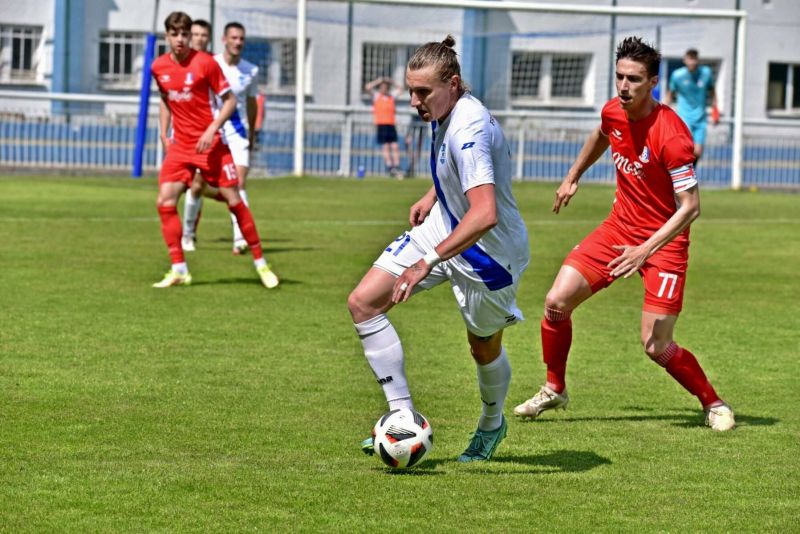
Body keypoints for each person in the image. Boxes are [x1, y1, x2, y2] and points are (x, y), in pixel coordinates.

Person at [512, 37, 734, 432]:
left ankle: (713, 403)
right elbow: (601, 133)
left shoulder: (672, 135)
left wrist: (644, 250)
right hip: (618, 229)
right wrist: (572, 177)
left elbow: (691, 208)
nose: (623, 86)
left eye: (633, 79)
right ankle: (554, 388)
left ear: (653, 83)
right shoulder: (614, 111)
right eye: (619, 77)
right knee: (556, 302)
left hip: (664, 242)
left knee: (656, 345)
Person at [349, 36, 530, 462]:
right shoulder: (445, 108)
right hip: (445, 225)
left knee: (482, 346)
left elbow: (484, 213)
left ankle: (491, 424)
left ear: (453, 83)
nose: (414, 101)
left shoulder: (469, 125)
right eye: (410, 90)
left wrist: (426, 262)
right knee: (363, 303)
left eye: (422, 92)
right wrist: (434, 195)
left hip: (490, 255)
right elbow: (457, 168)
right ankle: (402, 419)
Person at [150, 11, 278, 289]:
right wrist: (163, 133)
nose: (181, 39)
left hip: (212, 145)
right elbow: (164, 98)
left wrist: (211, 129)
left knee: (235, 198)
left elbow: (230, 101)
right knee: (165, 201)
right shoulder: (159, 66)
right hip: (181, 147)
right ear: (167, 36)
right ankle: (179, 268)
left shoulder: (206, 63)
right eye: (176, 34)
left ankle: (261, 263)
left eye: (186, 34)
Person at [182, 22, 260, 255]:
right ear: (224, 39)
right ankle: (187, 234)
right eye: (234, 38)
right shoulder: (209, 63)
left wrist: (252, 133)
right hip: (209, 132)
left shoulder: (251, 71)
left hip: (237, 133)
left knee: (238, 183)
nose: (238, 42)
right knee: (197, 185)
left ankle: (240, 239)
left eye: (241, 38)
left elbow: (251, 104)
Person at [665, 48, 719, 164]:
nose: (692, 62)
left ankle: (690, 173)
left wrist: (715, 110)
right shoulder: (678, 75)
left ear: (697, 60)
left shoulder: (706, 73)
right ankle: (681, 175)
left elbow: (712, 91)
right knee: (686, 149)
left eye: (694, 59)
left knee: (698, 152)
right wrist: (662, 112)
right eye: (689, 59)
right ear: (685, 60)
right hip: (684, 117)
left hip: (700, 118)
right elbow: (670, 94)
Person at [365, 76, 402, 179]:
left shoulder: (391, 96)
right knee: (385, 146)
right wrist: (379, 81)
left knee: (394, 146)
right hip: (381, 124)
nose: (384, 89)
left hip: (391, 124)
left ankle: (397, 166)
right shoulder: (377, 96)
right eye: (382, 87)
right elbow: (367, 87)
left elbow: (400, 89)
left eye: (385, 87)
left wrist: (391, 81)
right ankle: (390, 167)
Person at [404, 112, 426, 178]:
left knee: (419, 144)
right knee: (407, 141)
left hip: (423, 117)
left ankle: (412, 166)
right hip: (414, 117)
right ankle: (411, 164)